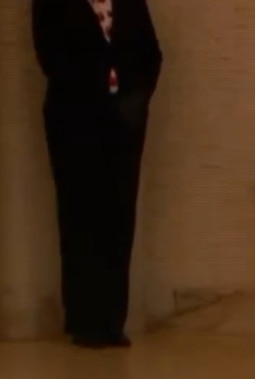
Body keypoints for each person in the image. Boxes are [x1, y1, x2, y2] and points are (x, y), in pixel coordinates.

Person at [32, 0, 163, 348]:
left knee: (118, 216)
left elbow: (151, 55)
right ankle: (83, 319)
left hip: (124, 122)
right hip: (74, 120)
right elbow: (50, 57)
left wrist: (132, 102)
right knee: (79, 215)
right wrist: (96, 88)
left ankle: (111, 320)